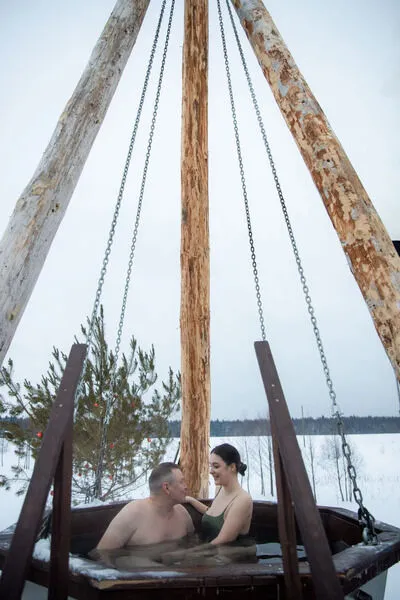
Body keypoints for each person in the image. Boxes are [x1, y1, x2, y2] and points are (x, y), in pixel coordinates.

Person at [96, 462, 194, 550]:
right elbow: (103, 555)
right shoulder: (132, 513)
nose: (186, 486)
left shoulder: (182, 514)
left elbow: (193, 543)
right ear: (167, 487)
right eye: (182, 482)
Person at [185, 443, 253, 545]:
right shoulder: (220, 489)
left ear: (232, 467)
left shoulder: (242, 500)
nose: (211, 471)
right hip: (211, 549)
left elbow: (222, 540)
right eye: (210, 466)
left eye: (216, 466)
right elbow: (211, 512)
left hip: (230, 553)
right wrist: (191, 500)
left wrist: (191, 552)